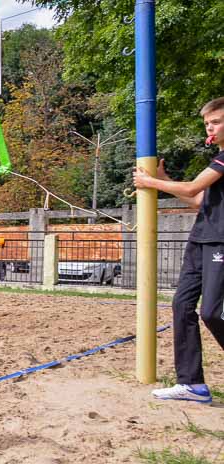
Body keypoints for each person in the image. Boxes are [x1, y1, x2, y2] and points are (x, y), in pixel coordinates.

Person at [133, 96, 224, 404]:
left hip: (220, 242)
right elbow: (199, 201)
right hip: (200, 239)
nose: (210, 127)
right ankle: (192, 384)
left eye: (216, 121)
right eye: (207, 123)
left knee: (211, 312)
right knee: (181, 306)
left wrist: (151, 183)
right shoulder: (217, 159)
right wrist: (164, 179)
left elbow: (192, 188)